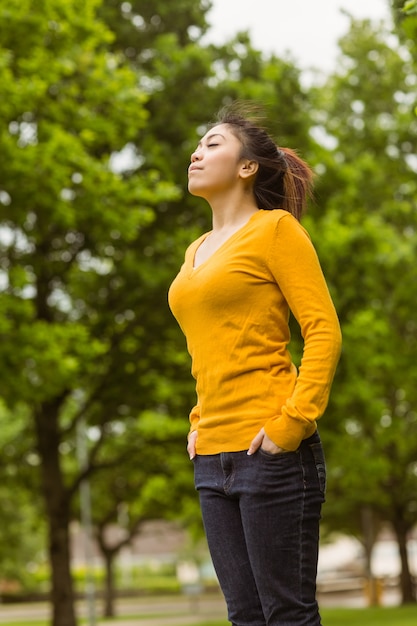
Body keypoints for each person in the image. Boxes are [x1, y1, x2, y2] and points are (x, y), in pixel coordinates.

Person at [168, 103, 342, 626]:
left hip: (270, 451)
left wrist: (291, 424)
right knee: (244, 615)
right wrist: (199, 420)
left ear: (248, 167)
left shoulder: (275, 230)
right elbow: (213, 347)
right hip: (212, 458)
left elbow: (323, 331)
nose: (197, 152)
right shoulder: (195, 249)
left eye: (213, 143)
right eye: (198, 145)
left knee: (285, 614)